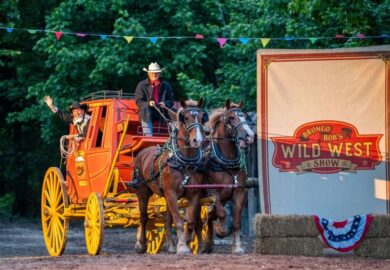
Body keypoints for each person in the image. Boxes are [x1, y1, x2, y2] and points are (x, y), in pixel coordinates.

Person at [135, 62, 174, 136]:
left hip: (162, 111)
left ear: (159, 74)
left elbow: (171, 101)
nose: (154, 75)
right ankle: (148, 135)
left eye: (156, 73)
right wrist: (149, 103)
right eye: (152, 73)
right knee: (145, 109)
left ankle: (175, 137)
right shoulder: (141, 85)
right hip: (148, 111)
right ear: (148, 74)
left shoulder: (167, 85)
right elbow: (139, 101)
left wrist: (165, 103)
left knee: (175, 112)